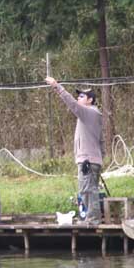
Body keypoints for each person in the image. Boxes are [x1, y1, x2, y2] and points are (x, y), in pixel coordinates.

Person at [45, 77, 105, 225]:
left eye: (82, 96)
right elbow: (101, 140)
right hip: (91, 160)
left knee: (87, 191)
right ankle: (92, 218)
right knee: (89, 190)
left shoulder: (89, 112)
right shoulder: (92, 114)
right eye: (78, 95)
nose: (78, 98)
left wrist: (56, 86)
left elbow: (71, 104)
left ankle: (92, 220)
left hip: (87, 160)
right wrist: (99, 157)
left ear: (90, 100)